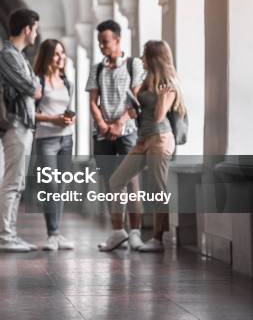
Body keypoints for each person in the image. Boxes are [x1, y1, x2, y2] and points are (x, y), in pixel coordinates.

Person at [109, 40, 185, 252]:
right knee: (117, 180)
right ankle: (118, 232)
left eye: (144, 55)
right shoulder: (148, 79)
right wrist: (134, 110)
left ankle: (159, 239)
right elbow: (144, 111)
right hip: (142, 139)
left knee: (157, 188)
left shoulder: (169, 83)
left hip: (160, 139)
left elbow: (160, 115)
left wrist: (161, 97)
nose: (141, 59)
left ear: (154, 58)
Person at [85, 20, 145, 252]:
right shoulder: (97, 68)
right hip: (102, 134)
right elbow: (92, 101)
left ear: (118, 40)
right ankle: (117, 233)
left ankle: (136, 233)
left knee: (131, 183)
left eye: (105, 42)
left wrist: (119, 123)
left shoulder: (134, 65)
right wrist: (102, 123)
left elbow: (136, 101)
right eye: (100, 42)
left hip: (128, 132)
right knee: (111, 184)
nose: (102, 46)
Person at [0, 8, 42, 252]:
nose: (36, 34)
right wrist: (34, 85)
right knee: (12, 181)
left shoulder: (19, 56)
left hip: (24, 125)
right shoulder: (8, 56)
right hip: (15, 124)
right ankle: (4, 236)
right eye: (36, 29)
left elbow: (34, 86)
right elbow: (31, 87)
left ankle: (10, 234)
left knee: (18, 181)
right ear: (27, 29)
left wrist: (34, 85)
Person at [33, 39, 76, 251]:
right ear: (47, 56)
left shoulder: (67, 82)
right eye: (57, 54)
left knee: (61, 187)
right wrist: (53, 120)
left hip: (67, 139)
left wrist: (69, 119)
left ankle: (57, 233)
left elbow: (68, 108)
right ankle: (52, 233)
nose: (61, 58)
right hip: (46, 140)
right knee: (49, 187)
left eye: (63, 53)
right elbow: (30, 114)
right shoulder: (38, 82)